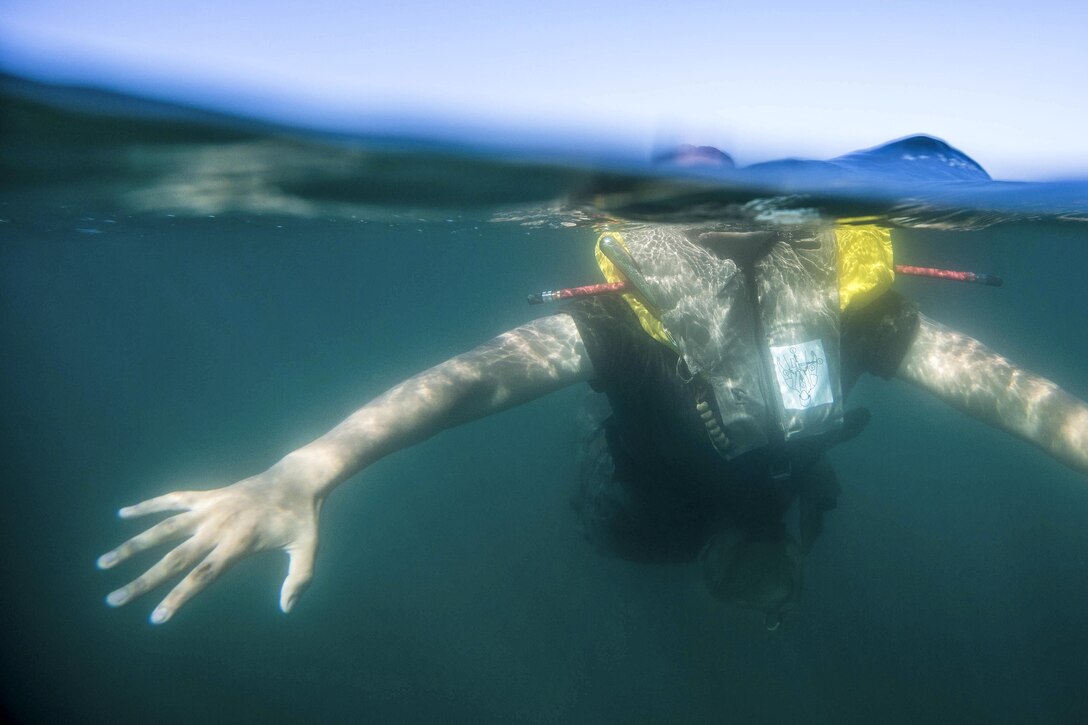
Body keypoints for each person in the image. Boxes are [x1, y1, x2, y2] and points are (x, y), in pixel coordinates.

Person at [97, 144, 1088, 629]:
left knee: (776, 505)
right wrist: (305, 467)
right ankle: (753, 534)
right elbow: (467, 380)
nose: (714, 227)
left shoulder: (846, 305)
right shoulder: (616, 321)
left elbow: (1010, 392)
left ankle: (766, 534)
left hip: (775, 461)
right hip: (656, 478)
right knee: (640, 539)